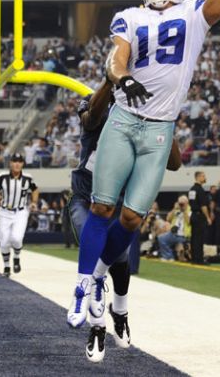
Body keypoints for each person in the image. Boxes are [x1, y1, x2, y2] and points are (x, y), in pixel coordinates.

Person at [69, 0, 220, 363]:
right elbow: (116, 57)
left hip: (160, 128)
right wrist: (120, 77)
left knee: (132, 222)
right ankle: (84, 288)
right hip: (126, 118)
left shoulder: (193, 12)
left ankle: (98, 278)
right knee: (103, 207)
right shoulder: (130, 16)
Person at [65, 77, 181, 350]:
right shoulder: (102, 102)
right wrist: (110, 81)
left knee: (119, 259)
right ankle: (97, 326)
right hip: (86, 198)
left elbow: (174, 163)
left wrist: (163, 117)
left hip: (118, 204)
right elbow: (91, 120)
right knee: (95, 252)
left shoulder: (150, 111)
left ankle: (120, 311)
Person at [0, 153, 39, 278]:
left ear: (23, 164)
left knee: (16, 238)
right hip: (5, 212)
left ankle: (16, 257)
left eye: (20, 161)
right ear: (10, 163)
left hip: (21, 212)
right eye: (15, 161)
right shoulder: (2, 176)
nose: (17, 164)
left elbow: (35, 189)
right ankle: (7, 266)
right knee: (4, 242)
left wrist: (33, 202)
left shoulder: (28, 178)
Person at [157, 196, 192, 261]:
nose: (181, 205)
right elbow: (168, 219)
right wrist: (174, 209)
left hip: (183, 235)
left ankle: (170, 256)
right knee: (161, 238)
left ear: (187, 203)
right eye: (180, 203)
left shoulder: (190, 210)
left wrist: (184, 211)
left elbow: (189, 221)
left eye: (182, 203)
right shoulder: (176, 210)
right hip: (173, 233)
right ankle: (169, 256)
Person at [188, 171, 211, 265]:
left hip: (193, 215)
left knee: (194, 238)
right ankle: (199, 259)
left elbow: (191, 203)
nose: (205, 178)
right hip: (199, 216)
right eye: (203, 176)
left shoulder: (192, 189)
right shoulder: (200, 190)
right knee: (199, 238)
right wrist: (208, 217)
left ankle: (194, 258)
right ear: (198, 177)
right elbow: (203, 206)